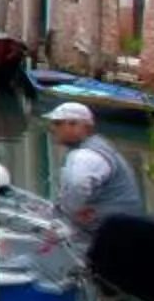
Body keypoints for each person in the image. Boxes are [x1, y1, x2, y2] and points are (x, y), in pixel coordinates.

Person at [45, 101, 142, 240]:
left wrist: (69, 214)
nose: (53, 128)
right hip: (123, 223)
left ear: (77, 126)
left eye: (58, 123)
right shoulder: (101, 146)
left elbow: (77, 185)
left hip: (105, 231)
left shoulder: (85, 156)